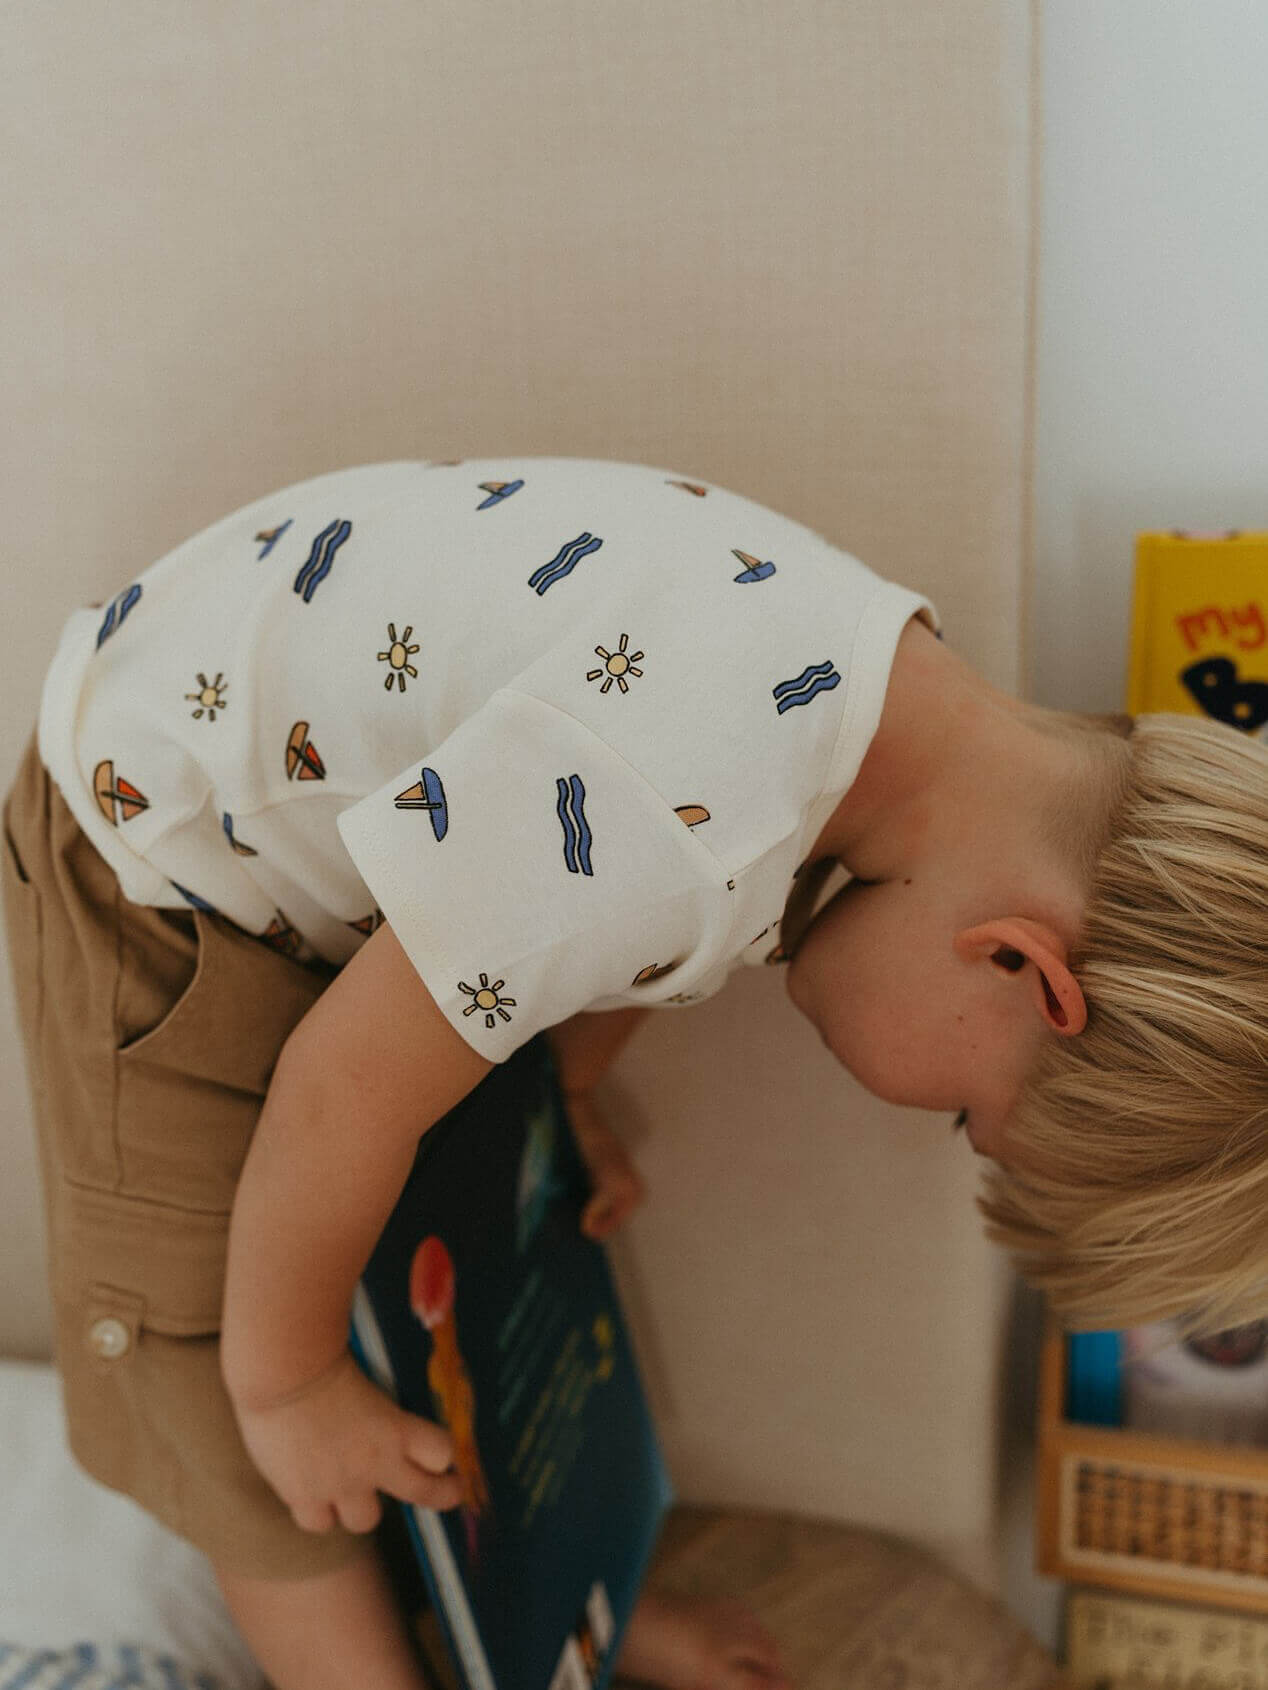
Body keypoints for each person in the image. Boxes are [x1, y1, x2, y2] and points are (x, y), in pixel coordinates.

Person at [5, 456, 1263, 1690]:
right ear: (1025, 972)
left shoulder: (867, 692)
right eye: (959, 1115)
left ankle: (546, 1618)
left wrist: (574, 1094)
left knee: (488, 1243)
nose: (930, 1112)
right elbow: (343, 1088)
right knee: (238, 1395)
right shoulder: (671, 800)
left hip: (347, 903)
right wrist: (285, 1384)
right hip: (160, 874)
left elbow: (619, 921)